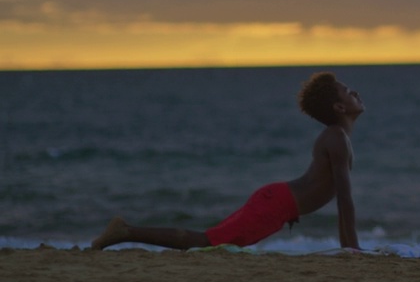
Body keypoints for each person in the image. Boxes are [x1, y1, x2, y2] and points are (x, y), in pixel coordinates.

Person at [90, 72, 365, 251]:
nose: (357, 94)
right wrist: (351, 248)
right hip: (275, 204)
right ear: (340, 108)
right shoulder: (336, 138)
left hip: (277, 205)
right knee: (205, 242)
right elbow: (344, 198)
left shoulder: (337, 137)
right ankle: (125, 231)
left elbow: (335, 194)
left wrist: (348, 248)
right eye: (350, 91)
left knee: (210, 242)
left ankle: (125, 231)